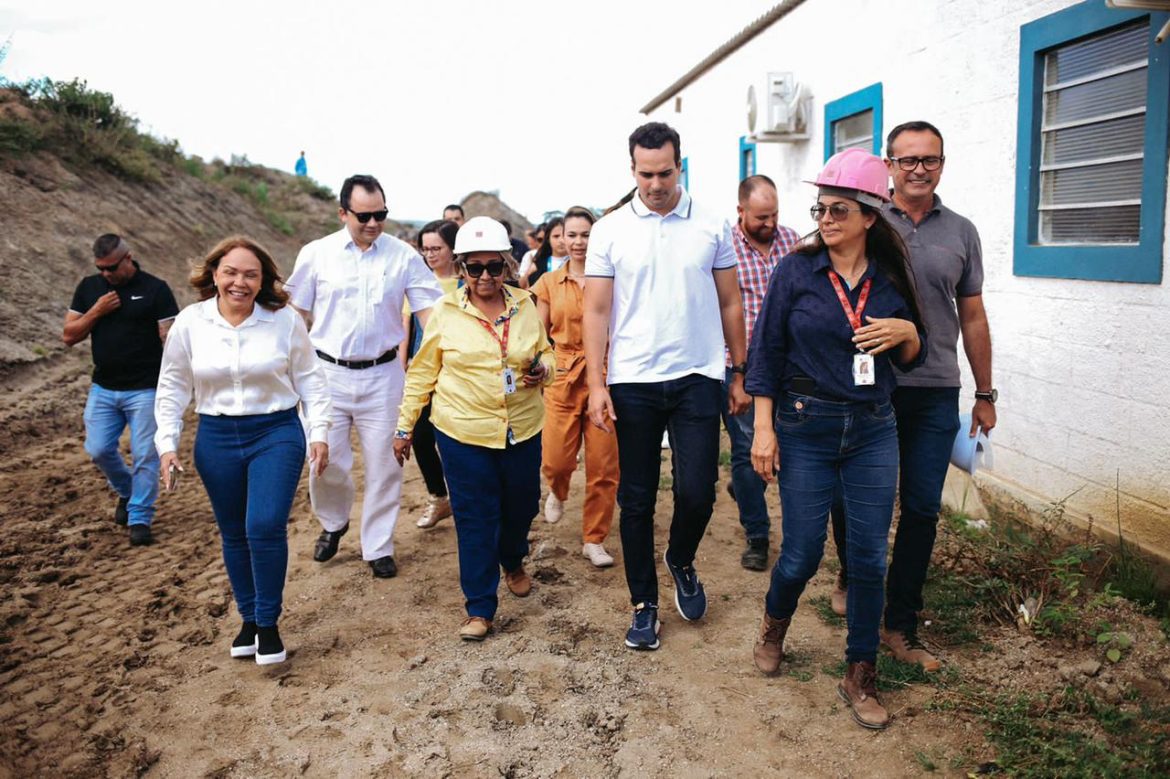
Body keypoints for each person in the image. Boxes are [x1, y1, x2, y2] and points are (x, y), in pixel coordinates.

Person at [746, 148, 926, 730]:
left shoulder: (892, 273)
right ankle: (774, 625)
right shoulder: (797, 269)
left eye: (839, 209)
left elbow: (913, 354)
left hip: (874, 427)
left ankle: (860, 672)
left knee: (870, 557)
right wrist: (764, 431)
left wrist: (907, 332)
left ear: (871, 215)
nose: (825, 219)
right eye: (820, 208)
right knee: (801, 553)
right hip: (804, 425)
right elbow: (766, 353)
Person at [828, 121, 995, 673]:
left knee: (921, 508)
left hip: (935, 390)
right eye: (907, 160)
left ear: (942, 164)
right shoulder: (868, 221)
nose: (919, 169)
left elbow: (971, 315)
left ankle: (900, 623)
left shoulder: (962, 232)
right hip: (872, 384)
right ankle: (853, 579)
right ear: (889, 165)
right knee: (856, 499)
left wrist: (985, 392)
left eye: (930, 159)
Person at [584, 122, 748, 651]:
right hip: (632, 379)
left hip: (698, 375)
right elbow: (597, 308)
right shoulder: (610, 230)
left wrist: (739, 369)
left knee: (697, 492)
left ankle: (680, 557)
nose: (655, 183)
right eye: (645, 173)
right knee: (636, 500)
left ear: (680, 165)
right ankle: (644, 605)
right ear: (632, 170)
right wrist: (597, 384)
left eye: (665, 172)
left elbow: (730, 301)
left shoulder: (712, 222)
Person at [155, 236, 331, 665]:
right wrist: (166, 444)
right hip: (216, 438)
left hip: (276, 432)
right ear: (214, 274)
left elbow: (310, 378)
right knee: (233, 532)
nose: (240, 282)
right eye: (230, 272)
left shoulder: (284, 320)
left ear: (264, 279)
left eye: (251, 274)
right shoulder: (190, 323)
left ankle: (268, 623)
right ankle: (248, 618)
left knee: (264, 524)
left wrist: (321, 431)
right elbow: (173, 386)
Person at [393, 216, 554, 641]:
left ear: (506, 265)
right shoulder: (443, 312)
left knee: (522, 507)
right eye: (474, 267)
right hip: (462, 431)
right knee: (475, 516)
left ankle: (513, 558)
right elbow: (422, 372)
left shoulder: (525, 305)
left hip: (521, 427)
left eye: (493, 267)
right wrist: (404, 426)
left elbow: (546, 352)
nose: (484, 276)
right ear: (461, 268)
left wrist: (544, 369)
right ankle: (479, 607)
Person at [286, 174, 443, 578]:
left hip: (384, 374)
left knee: (386, 463)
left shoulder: (404, 256)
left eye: (381, 215)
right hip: (327, 375)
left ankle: (377, 546)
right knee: (325, 461)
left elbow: (431, 313)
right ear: (343, 213)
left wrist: (454, 350)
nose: (373, 223)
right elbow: (296, 315)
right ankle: (334, 522)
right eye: (364, 216)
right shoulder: (316, 254)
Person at [64, 234, 179, 546]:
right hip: (103, 388)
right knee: (98, 449)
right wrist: (96, 311)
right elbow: (69, 335)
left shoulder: (155, 289)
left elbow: (171, 341)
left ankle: (140, 517)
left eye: (111, 267)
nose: (106, 274)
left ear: (128, 258)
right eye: (101, 268)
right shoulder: (90, 288)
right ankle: (128, 492)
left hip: (145, 389)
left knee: (145, 454)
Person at [532, 207, 619, 568]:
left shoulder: (613, 278)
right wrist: (536, 364)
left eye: (586, 234)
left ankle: (594, 538)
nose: (579, 242)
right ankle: (558, 487)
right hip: (563, 376)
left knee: (604, 465)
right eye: (573, 235)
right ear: (561, 238)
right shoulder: (549, 283)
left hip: (606, 374)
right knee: (556, 457)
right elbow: (538, 335)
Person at [723, 175, 801, 571]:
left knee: (790, 448)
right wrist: (737, 373)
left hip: (791, 366)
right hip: (743, 366)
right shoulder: (724, 247)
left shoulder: (792, 242)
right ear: (741, 212)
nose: (770, 224)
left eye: (774, 215)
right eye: (760, 217)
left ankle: (797, 536)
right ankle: (757, 535)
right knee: (748, 450)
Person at [409, 219, 462, 529]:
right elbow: (408, 328)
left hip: (456, 372)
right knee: (420, 436)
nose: (429, 254)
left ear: (453, 249)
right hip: (424, 369)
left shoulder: (466, 283)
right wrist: (406, 366)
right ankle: (439, 496)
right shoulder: (417, 282)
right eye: (425, 248)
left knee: (453, 438)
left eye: (436, 248)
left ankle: (463, 496)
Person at [521, 216, 566, 288]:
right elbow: (523, 286)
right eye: (556, 236)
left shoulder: (577, 262)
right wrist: (528, 272)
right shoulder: (540, 262)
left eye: (565, 236)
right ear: (548, 238)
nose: (561, 240)